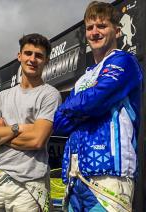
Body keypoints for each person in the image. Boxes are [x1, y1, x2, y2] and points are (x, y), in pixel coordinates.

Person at [53, 1, 143, 211]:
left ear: (117, 31)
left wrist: (74, 107)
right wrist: (83, 107)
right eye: (90, 27)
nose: (95, 32)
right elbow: (59, 124)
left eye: (102, 26)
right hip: (76, 177)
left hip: (109, 175)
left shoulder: (123, 61)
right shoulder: (85, 77)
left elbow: (96, 99)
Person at [0, 33, 61, 212]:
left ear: (46, 60)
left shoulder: (50, 95)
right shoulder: (2, 97)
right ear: (19, 56)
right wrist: (18, 128)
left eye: (39, 55)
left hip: (30, 183)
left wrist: (0, 136)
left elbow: (36, 140)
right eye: (28, 53)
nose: (32, 59)